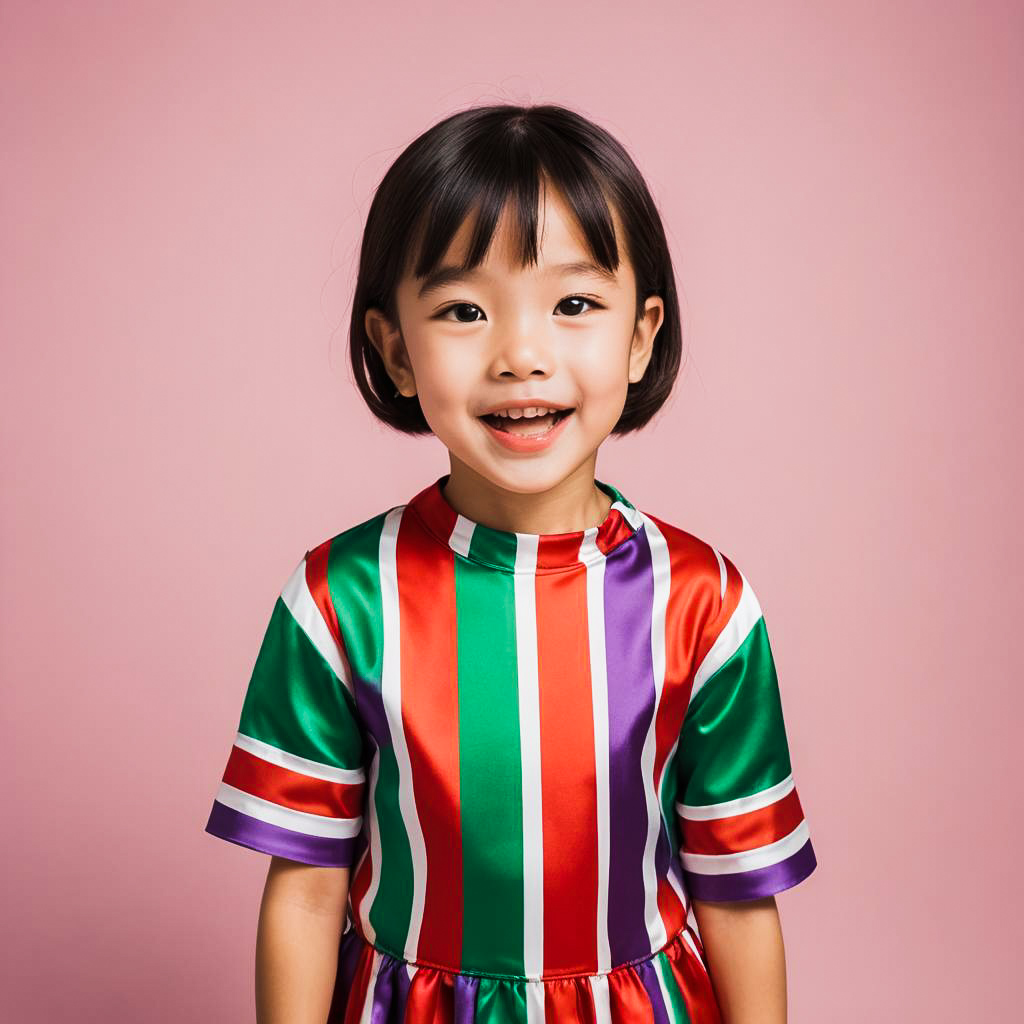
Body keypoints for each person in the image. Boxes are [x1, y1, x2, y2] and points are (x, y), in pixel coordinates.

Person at [204, 103, 818, 1024]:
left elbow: (736, 893)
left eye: (574, 305)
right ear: (394, 350)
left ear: (642, 334)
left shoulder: (705, 606)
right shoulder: (339, 603)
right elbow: (304, 888)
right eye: (462, 310)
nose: (521, 356)